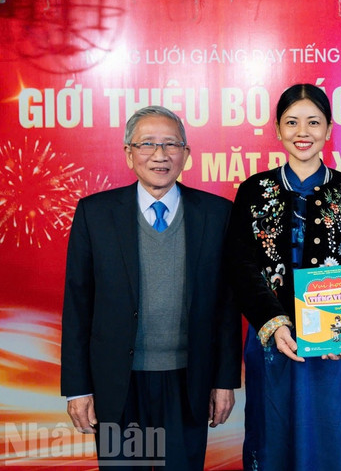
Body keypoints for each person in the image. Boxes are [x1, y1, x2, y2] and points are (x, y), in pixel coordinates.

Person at [61, 105, 242, 470]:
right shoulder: (95, 214)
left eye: (171, 145)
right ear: (129, 153)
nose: (160, 155)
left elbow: (226, 305)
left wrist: (225, 381)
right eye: (147, 144)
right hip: (118, 385)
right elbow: (78, 305)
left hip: (188, 383)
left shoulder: (216, 214)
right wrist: (78, 387)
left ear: (186, 155)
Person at [225, 83, 341, 471]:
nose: (302, 132)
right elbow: (240, 266)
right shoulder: (254, 190)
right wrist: (274, 324)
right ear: (277, 129)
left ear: (329, 129)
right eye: (292, 122)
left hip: (332, 343)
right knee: (273, 437)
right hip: (273, 343)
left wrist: (338, 323)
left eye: (314, 122)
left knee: (332, 439)